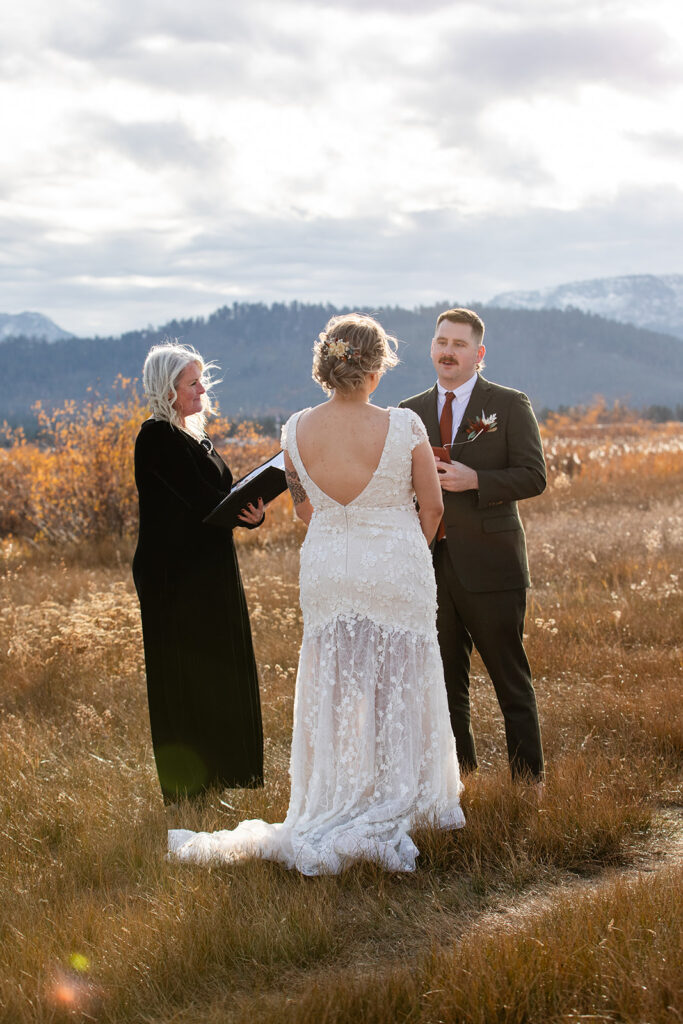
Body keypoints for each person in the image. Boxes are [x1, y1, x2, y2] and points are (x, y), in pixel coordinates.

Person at [168, 314, 464, 873]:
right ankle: (406, 796)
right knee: (399, 677)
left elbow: (306, 509)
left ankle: (335, 796)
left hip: (329, 569)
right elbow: (434, 507)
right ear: (376, 368)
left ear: (326, 366)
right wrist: (404, 549)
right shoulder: (405, 426)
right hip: (394, 567)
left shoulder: (296, 428)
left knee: (339, 684)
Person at [399, 308, 546, 782]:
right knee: (444, 685)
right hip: (430, 567)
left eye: (459, 344)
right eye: (442, 342)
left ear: (478, 354)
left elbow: (533, 476)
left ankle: (528, 785)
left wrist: (476, 479)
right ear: (431, 348)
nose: (448, 351)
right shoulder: (407, 412)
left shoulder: (506, 404)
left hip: (492, 566)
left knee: (510, 680)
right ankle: (459, 784)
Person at [133, 342, 265, 804]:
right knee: (185, 677)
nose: (202, 390)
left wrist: (254, 512)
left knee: (215, 673)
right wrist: (234, 507)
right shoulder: (156, 438)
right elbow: (201, 502)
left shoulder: (194, 436)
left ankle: (217, 778)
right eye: (192, 383)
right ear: (168, 390)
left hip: (209, 570)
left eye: (200, 380)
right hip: (175, 579)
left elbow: (220, 497)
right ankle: (188, 792)